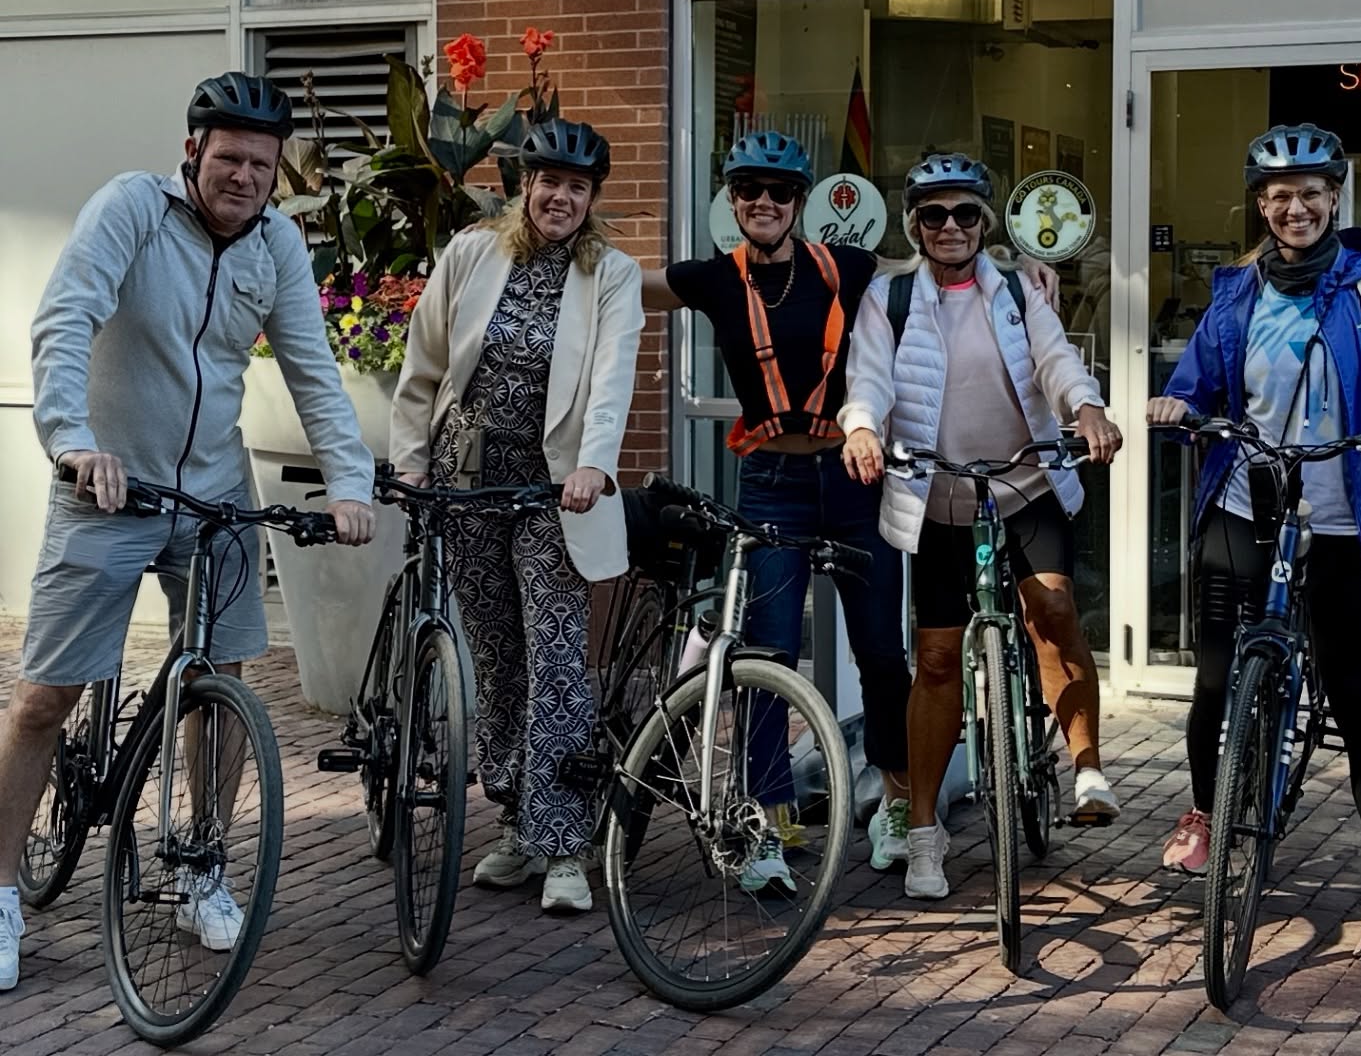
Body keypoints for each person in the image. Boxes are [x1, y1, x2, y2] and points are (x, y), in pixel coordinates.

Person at [0, 71, 377, 991]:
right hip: (105, 484)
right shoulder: (131, 209)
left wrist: (350, 483)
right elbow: (65, 319)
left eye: (261, 165)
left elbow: (313, 370)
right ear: (192, 152)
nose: (244, 176)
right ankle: (1, 890)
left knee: (220, 685)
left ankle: (203, 864)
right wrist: (72, 442)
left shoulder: (277, 245)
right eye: (229, 158)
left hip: (213, 493)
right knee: (46, 698)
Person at [640, 131, 1059, 888]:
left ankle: (896, 803)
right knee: (768, 654)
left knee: (880, 650)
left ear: (799, 203)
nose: (764, 203)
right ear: (731, 201)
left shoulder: (847, 267)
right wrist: (546, 255)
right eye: (749, 191)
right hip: (771, 482)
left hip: (854, 475)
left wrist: (1017, 269)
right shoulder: (714, 278)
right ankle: (768, 821)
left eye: (779, 193)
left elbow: (937, 261)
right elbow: (625, 289)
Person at [1147, 123, 1361, 967]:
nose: (1295, 208)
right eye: (1279, 195)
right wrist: (1177, 403)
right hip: (1245, 500)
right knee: (1214, 678)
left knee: (1356, 702)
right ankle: (1206, 813)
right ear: (1261, 204)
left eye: (1310, 193)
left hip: (1343, 516)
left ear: (1334, 197)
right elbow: (1201, 379)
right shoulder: (1238, 290)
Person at [840, 153, 1123, 900]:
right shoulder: (890, 297)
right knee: (936, 661)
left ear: (984, 223)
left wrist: (1086, 408)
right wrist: (862, 425)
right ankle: (923, 835)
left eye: (965, 213)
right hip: (939, 496)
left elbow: (1056, 359)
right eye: (934, 215)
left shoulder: (1020, 290)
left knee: (1052, 609)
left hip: (1024, 485)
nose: (950, 227)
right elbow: (868, 375)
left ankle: (1087, 768)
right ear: (915, 227)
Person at [390, 118, 643, 915]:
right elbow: (424, 364)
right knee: (497, 655)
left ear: (592, 198)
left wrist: (596, 462)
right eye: (548, 182)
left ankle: (564, 843)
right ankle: (516, 822)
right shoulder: (472, 253)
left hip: (553, 491)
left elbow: (612, 376)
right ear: (523, 186)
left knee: (557, 656)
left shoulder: (611, 274)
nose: (560, 197)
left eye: (577, 187)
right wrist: (410, 460)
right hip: (467, 483)